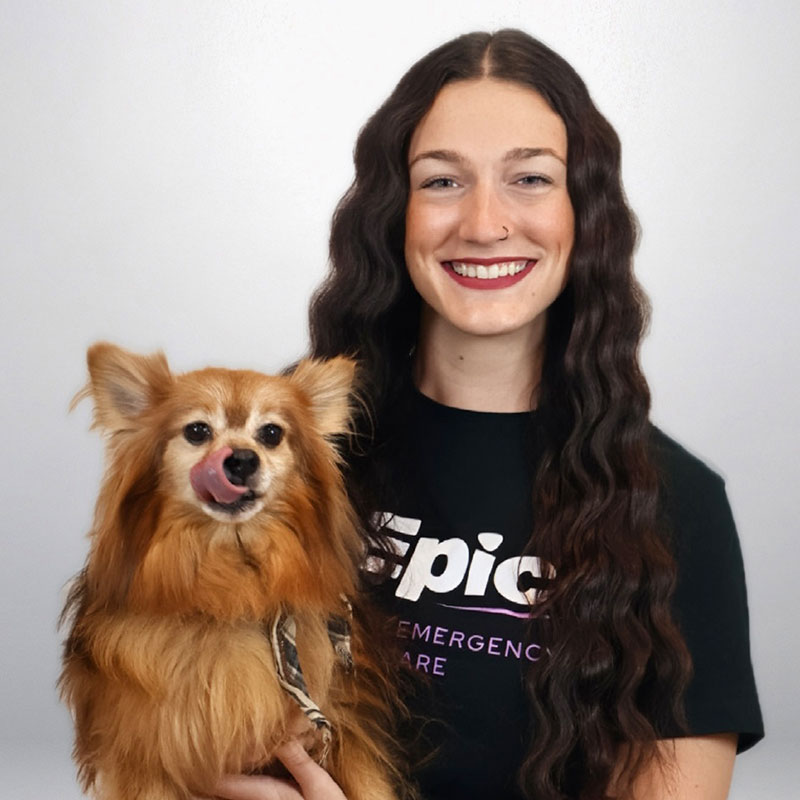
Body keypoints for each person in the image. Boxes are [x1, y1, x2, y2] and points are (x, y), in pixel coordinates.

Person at [208, 29, 763, 800]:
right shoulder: (268, 448)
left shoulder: (677, 505)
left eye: (530, 179)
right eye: (441, 182)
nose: (484, 223)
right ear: (394, 210)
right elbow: (145, 703)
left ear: (584, 212)